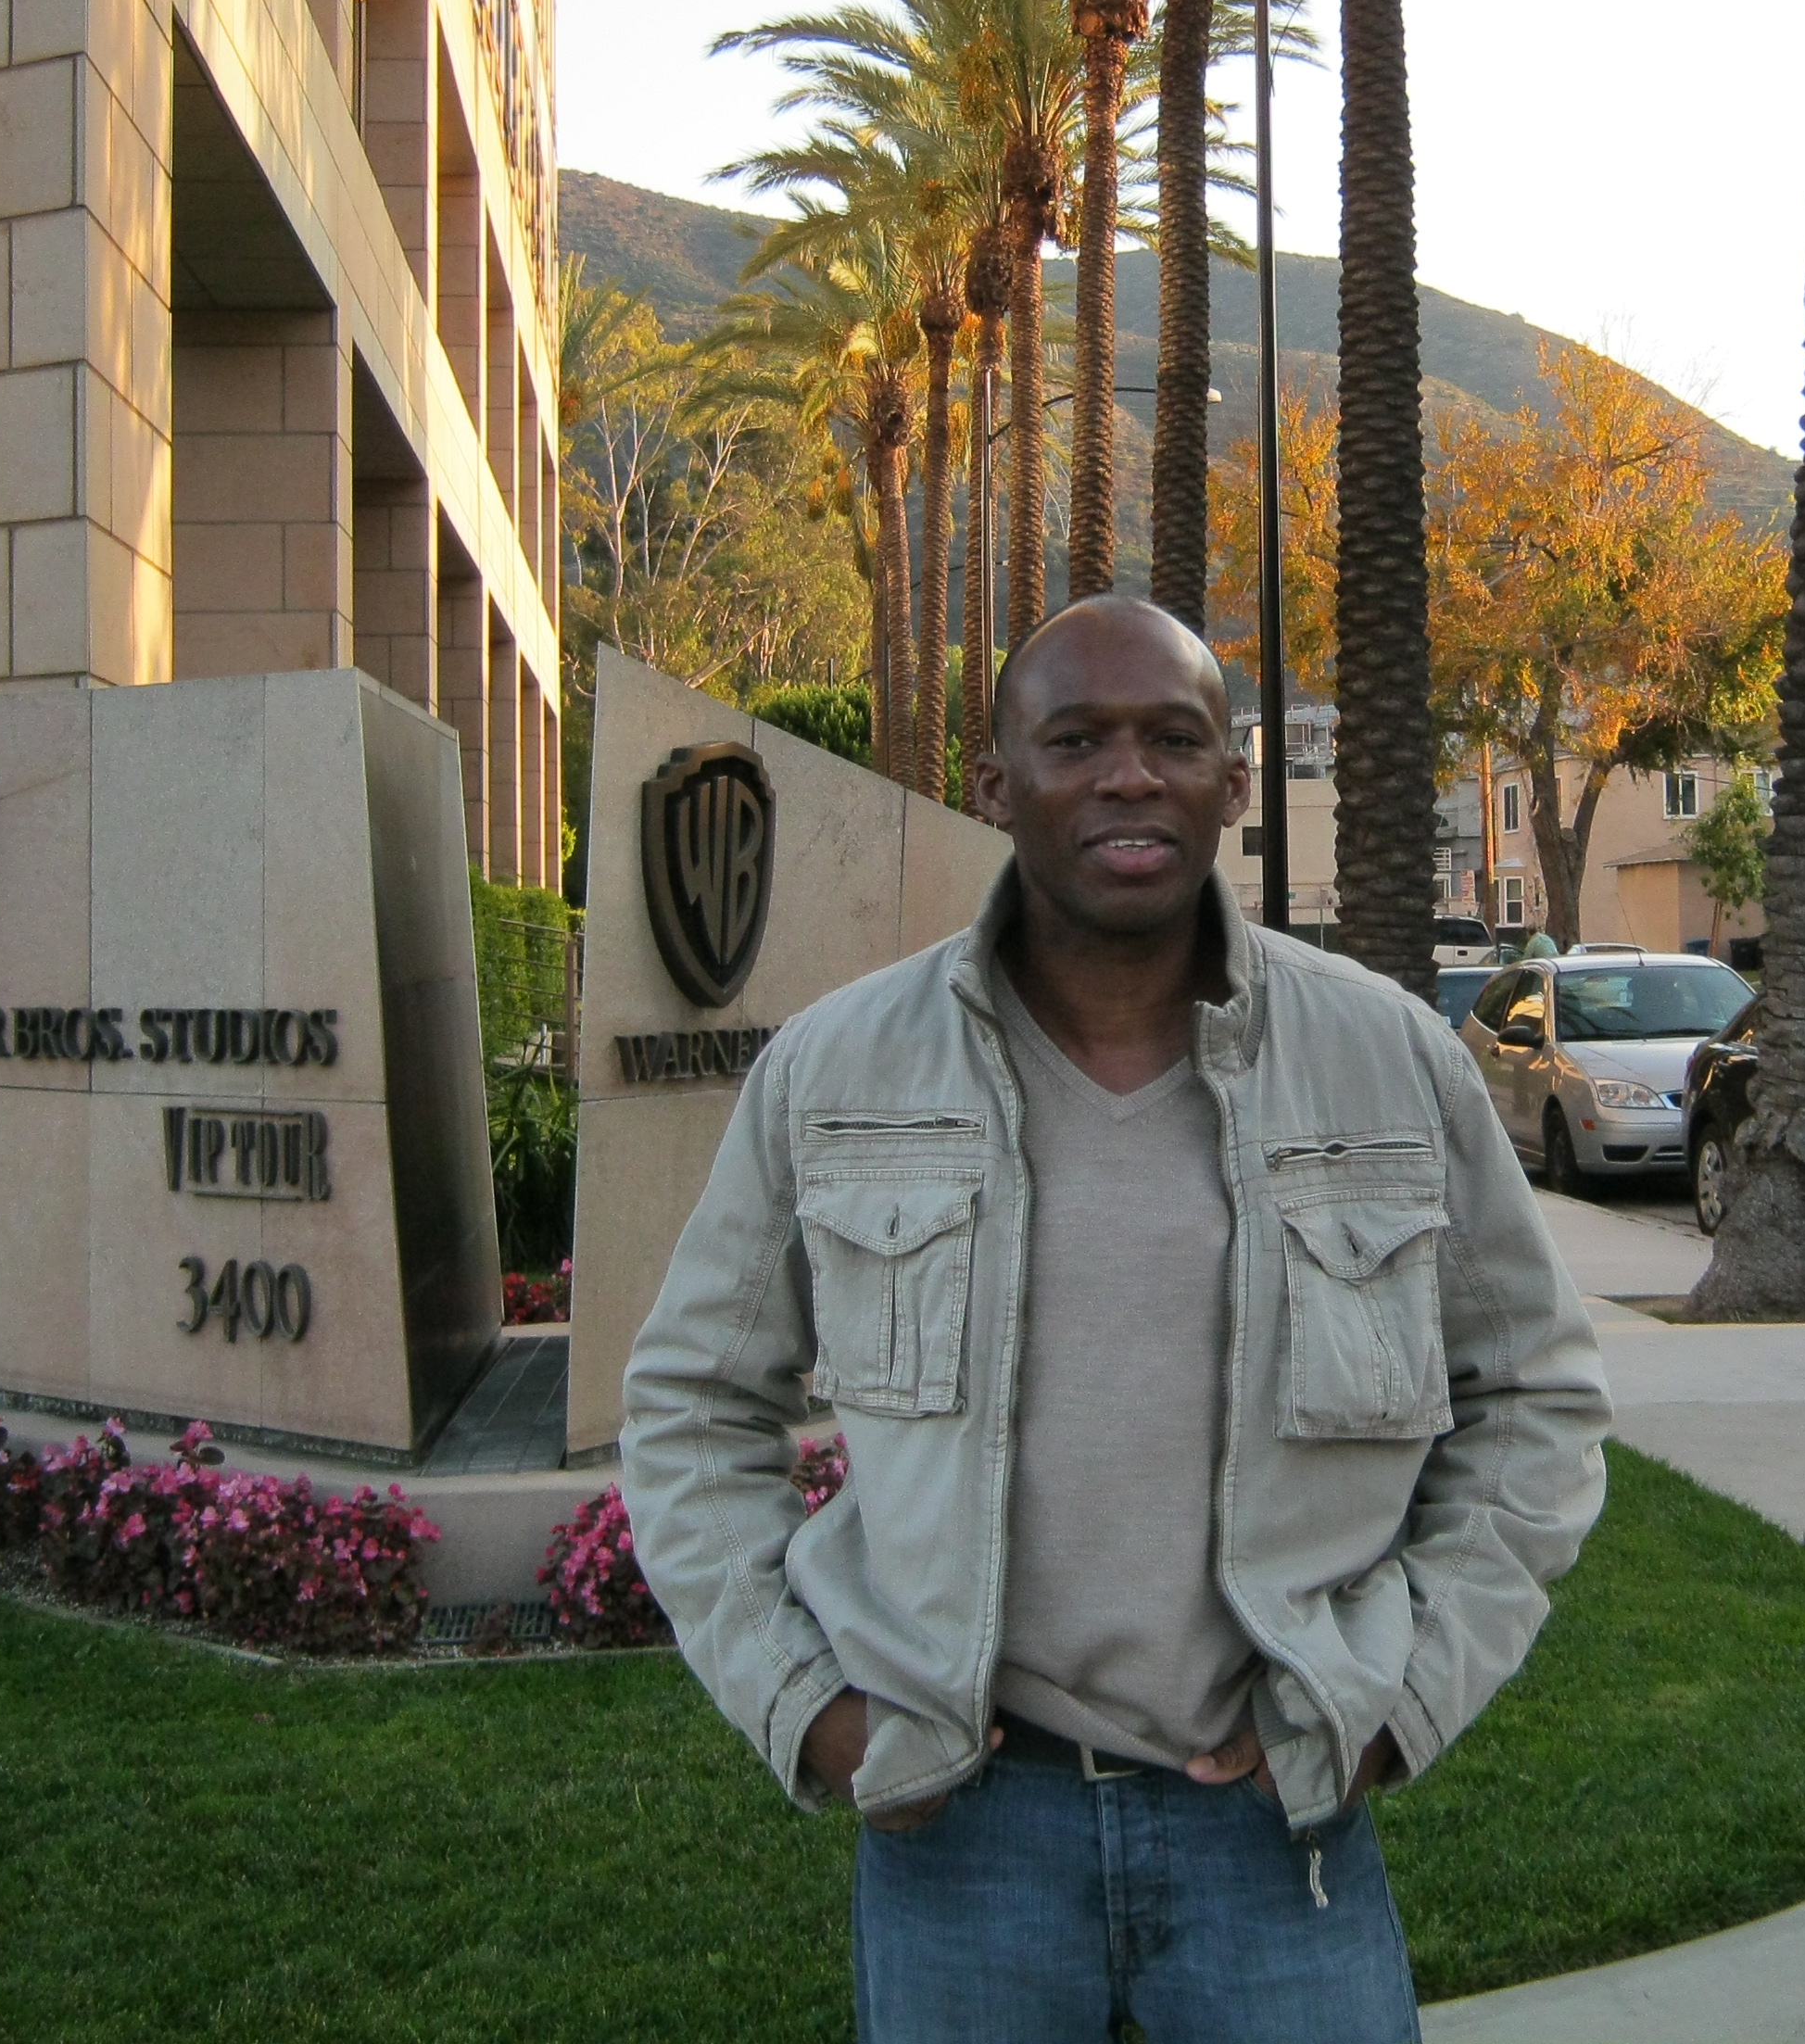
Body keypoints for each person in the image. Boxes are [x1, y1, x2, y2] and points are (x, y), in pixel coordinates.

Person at [624, 595, 1609, 2044]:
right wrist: (809, 1707)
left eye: (1173, 739)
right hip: (964, 1840)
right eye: (1076, 739)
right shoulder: (838, 1067)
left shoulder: (1387, 1060)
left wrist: (1395, 1698)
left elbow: (1536, 1399)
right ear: (997, 783)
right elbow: (693, 1405)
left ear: (1231, 779)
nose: (1130, 775)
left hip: (1279, 1842)